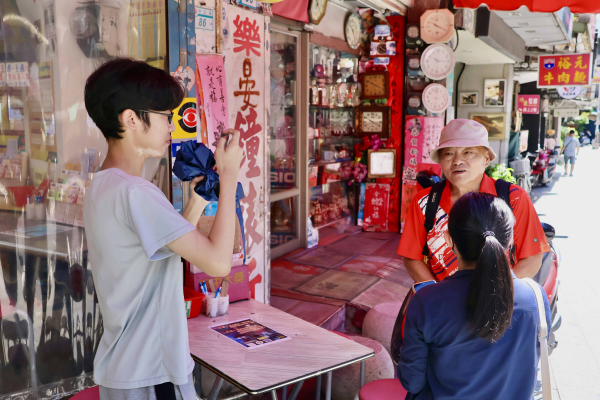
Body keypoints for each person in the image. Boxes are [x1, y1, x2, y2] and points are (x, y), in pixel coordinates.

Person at [83, 58, 243, 400]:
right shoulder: (137, 192)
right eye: (165, 116)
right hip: (152, 373)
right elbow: (218, 263)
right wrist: (229, 177)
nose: (171, 125)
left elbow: (168, 245)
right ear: (131, 119)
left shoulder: (104, 184)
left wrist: (199, 198)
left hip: (126, 369)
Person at [398, 192, 552, 399]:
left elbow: (412, 381)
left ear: (449, 239)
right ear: (509, 241)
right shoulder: (535, 297)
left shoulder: (426, 301)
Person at [398, 119, 549, 282]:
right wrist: (439, 294)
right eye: (448, 153)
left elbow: (532, 258)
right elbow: (412, 258)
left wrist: (498, 293)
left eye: (468, 152)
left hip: (498, 296)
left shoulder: (513, 198)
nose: (457, 161)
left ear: (486, 158)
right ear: (440, 159)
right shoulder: (425, 202)